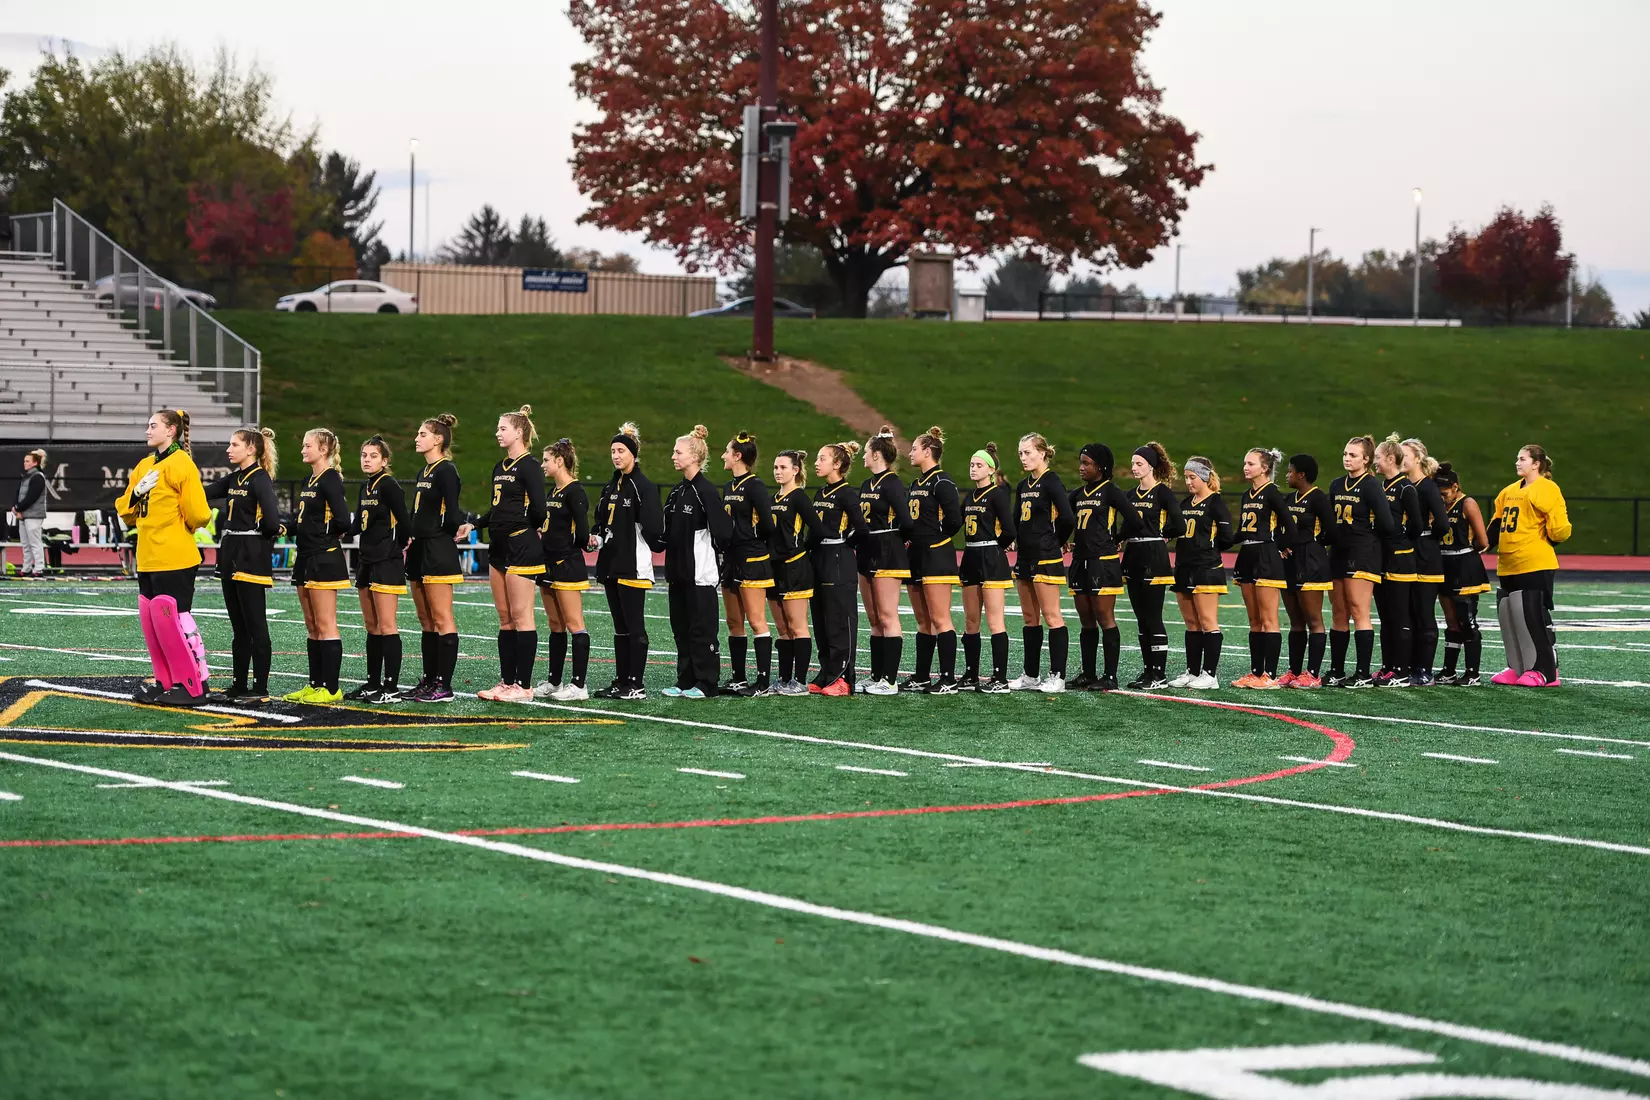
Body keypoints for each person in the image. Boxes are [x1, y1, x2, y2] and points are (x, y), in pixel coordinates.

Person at [116, 409, 212, 705]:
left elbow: (200, 514)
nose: (147, 430)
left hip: (174, 556)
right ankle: (166, 681)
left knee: (175, 622)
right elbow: (125, 512)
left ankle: (196, 684)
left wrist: (178, 526)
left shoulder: (181, 462)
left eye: (153, 425)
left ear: (171, 430)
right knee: (154, 623)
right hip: (148, 555)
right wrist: (135, 495)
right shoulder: (144, 465)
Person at [461, 406, 548, 703]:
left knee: (522, 616)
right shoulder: (500, 467)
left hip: (521, 547)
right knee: (505, 618)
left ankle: (523, 686)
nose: (497, 433)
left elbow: (539, 510)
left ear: (519, 432)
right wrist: (475, 523)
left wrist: (522, 528)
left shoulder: (530, 466)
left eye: (502, 429)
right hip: (498, 549)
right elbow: (496, 510)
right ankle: (507, 681)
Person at [203, 428, 281, 703]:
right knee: (239, 627)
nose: (229, 449)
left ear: (251, 449)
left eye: (234, 444)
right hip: (231, 554)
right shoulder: (235, 477)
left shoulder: (260, 479)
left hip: (250, 555)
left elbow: (272, 521)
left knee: (256, 624)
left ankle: (260, 690)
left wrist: (260, 529)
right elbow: (205, 493)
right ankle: (239, 685)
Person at [593, 421, 665, 700]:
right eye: (613, 450)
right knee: (620, 627)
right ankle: (622, 680)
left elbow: (652, 528)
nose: (616, 455)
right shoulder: (613, 483)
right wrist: (595, 536)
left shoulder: (642, 486)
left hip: (633, 564)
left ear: (633, 453)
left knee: (634, 625)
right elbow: (601, 521)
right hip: (611, 563)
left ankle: (636, 683)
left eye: (621, 450)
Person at [1489, 444, 1571, 687]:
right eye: (1517, 458)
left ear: (1536, 463)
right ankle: (1518, 666)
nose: (1517, 462)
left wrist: (1548, 538)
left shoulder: (1547, 489)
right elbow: (1497, 524)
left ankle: (1545, 670)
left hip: (1534, 561)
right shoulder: (1509, 491)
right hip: (1509, 562)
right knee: (1510, 615)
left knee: (1532, 616)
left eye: (1523, 459)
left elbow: (1559, 529)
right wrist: (1480, 545)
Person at [661, 425, 732, 699]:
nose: (673, 456)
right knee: (681, 629)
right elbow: (666, 534)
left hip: (700, 574)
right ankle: (685, 679)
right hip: (677, 573)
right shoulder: (677, 492)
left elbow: (723, 531)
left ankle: (707, 683)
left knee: (702, 630)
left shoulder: (706, 491)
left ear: (695, 456)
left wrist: (716, 557)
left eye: (678, 452)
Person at [282, 428, 351, 704]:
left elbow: (344, 521)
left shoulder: (330, 479)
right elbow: (304, 519)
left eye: (307, 445)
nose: (302, 449)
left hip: (324, 557)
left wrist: (322, 535)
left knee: (325, 624)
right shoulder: (309, 479)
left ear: (323, 450)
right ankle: (315, 684)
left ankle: (332, 689)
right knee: (311, 625)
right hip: (305, 557)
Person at [403, 414, 466, 703]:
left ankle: (444, 685)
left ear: (438, 439)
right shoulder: (424, 471)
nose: (417, 438)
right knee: (426, 619)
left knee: (442, 618)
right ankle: (429, 680)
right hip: (419, 549)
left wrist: (446, 533)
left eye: (422, 434)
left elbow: (453, 513)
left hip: (437, 548)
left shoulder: (446, 470)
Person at [1068, 443, 1140, 691]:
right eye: (1081, 462)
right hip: (1080, 562)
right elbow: (1065, 519)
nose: (1081, 467)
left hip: (1103, 563)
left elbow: (1135, 520)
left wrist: (1116, 539)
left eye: (1086, 463)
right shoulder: (1077, 494)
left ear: (1101, 466)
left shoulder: (1111, 491)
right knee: (1086, 619)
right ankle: (1088, 673)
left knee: (1104, 617)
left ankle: (1110, 676)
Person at [345, 435, 410, 703]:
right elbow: (359, 522)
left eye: (373, 456)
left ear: (384, 461)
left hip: (386, 562)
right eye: (364, 455)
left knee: (386, 625)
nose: (367, 460)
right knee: (372, 625)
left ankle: (391, 687)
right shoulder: (366, 487)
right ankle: (372, 684)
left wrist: (395, 548)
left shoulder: (389, 485)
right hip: (366, 560)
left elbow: (405, 522)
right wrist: (338, 531)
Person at [1326, 435, 1393, 688]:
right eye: (1345, 453)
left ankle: (1363, 673)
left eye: (1353, 455)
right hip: (1338, 553)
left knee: (1358, 610)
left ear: (1366, 459)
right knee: (1339, 612)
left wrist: (1365, 537)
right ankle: (1337, 671)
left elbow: (1387, 523)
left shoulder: (1371, 485)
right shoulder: (1335, 485)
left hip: (1362, 553)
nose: (1347, 458)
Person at [1010, 432, 1074, 693]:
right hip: (1025, 557)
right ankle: (1031, 675)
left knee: (1051, 616)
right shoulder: (1024, 485)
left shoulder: (1051, 482)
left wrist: (1053, 542)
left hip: (1046, 557)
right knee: (1029, 618)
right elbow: (1017, 519)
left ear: (1043, 453)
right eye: (1021, 453)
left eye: (1028, 452)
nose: (1023, 458)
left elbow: (1068, 518)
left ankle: (1057, 676)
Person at [904, 427, 963, 693]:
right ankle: (922, 676)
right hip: (915, 556)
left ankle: (948, 679)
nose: (910, 453)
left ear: (928, 451)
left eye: (914, 449)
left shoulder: (942, 482)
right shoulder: (917, 483)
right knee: (923, 621)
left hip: (936, 555)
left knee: (940, 619)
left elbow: (954, 520)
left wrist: (936, 540)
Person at [535, 437, 594, 701]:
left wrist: (587, 542)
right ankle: (554, 682)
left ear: (560, 461)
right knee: (555, 625)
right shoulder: (554, 492)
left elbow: (582, 534)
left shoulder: (575, 491)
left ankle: (579, 686)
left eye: (546, 460)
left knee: (574, 624)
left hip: (567, 564)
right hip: (547, 566)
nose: (543, 465)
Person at [1231, 448, 1295, 688]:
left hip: (1266, 557)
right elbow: (1241, 531)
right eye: (1244, 463)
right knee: (1254, 619)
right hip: (1247, 555)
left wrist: (1278, 546)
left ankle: (1269, 675)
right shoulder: (1247, 494)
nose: (1246, 467)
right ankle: (1255, 672)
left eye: (1250, 463)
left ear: (1265, 468)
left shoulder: (1272, 493)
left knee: (1269, 619)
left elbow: (1290, 527)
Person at [719, 430, 776, 696]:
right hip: (730, 559)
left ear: (738, 456)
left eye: (727, 452)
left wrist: (749, 540)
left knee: (756, 621)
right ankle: (738, 677)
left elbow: (768, 524)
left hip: (752, 558)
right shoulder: (729, 486)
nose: (723, 456)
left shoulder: (755, 485)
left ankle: (762, 682)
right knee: (734, 621)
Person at [1122, 442, 1182, 690]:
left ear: (1151, 466)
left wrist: (1162, 534)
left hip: (1154, 557)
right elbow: (1124, 527)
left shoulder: (1163, 493)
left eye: (1139, 464)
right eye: (1133, 464)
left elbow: (1179, 525)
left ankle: (1159, 674)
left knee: (1153, 617)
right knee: (1140, 618)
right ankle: (1147, 671)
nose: (1134, 468)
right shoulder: (1130, 495)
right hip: (1133, 554)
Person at [810, 440, 868, 696]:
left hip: (838, 559)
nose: (816, 463)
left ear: (837, 464)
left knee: (839, 620)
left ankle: (844, 678)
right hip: (819, 558)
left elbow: (862, 529)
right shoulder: (820, 493)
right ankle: (826, 673)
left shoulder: (847, 493)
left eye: (822, 458)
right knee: (821, 619)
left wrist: (842, 546)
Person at [1170, 456, 1232, 690]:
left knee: (1208, 622)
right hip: (1184, 568)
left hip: (1206, 569)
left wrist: (1208, 549)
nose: (1188, 482)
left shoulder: (1216, 503)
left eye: (1192, 477)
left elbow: (1226, 538)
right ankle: (1193, 671)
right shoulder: (1186, 503)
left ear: (1205, 477)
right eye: (1186, 477)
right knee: (1191, 623)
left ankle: (1210, 674)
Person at [959, 442, 1017, 692]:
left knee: (995, 621)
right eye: (972, 464)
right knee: (970, 621)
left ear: (991, 469)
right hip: (970, 557)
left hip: (991, 558)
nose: (973, 469)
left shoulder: (997, 495)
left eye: (979, 465)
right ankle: (971, 674)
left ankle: (999, 678)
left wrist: (995, 548)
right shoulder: (970, 496)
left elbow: (1010, 530)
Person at [856, 427, 910, 693]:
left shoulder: (892, 483)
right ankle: (876, 675)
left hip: (887, 551)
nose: (863, 457)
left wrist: (896, 542)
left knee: (888, 616)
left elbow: (906, 521)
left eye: (866, 452)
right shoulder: (867, 484)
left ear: (876, 454)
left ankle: (890, 680)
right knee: (874, 618)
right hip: (867, 551)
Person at [767, 448, 822, 695]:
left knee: (797, 626)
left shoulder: (799, 497)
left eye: (784, 468)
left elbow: (818, 529)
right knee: (782, 628)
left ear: (796, 470)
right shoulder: (772, 498)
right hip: (774, 568)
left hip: (795, 568)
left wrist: (799, 551)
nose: (778, 472)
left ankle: (800, 681)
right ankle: (784, 678)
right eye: (776, 467)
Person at [1433, 462, 1491, 686]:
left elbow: (1483, 541)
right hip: (1444, 563)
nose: (1442, 497)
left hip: (1464, 563)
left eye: (1445, 493)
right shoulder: (1438, 506)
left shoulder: (1467, 503)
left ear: (1455, 487)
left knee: (1467, 620)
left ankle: (1472, 672)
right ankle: (1448, 671)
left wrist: (1468, 551)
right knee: (1451, 621)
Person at [1280, 454, 1336, 688]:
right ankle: (1294, 670)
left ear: (1301, 474)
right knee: (1295, 621)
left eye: (1290, 471)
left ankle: (1312, 673)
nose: (1287, 474)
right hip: (1290, 562)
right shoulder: (1289, 498)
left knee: (1314, 620)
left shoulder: (1318, 498)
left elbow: (1332, 531)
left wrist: (1314, 544)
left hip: (1311, 562)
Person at [1374, 434, 1422, 687]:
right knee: (1386, 617)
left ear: (1390, 459)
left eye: (1378, 458)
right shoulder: (1382, 486)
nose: (1375, 463)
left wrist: (1399, 538)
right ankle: (1388, 666)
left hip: (1401, 559)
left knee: (1400, 616)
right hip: (1382, 558)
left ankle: (1402, 671)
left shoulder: (1406, 488)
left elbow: (1416, 525)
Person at [1402, 436, 1450, 686]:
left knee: (1423, 613)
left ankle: (1424, 669)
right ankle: (1407, 667)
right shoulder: (1401, 485)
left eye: (1404, 456)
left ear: (1418, 459)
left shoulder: (1427, 487)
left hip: (1425, 555)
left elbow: (1442, 523)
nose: (1399, 460)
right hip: (1407, 554)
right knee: (1407, 614)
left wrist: (1424, 537)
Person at [13, 449, 47, 578]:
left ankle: (39, 568)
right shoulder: (26, 476)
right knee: (25, 543)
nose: (25, 463)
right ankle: (26, 568)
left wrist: (19, 508)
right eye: (24, 461)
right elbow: (19, 493)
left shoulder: (38, 476)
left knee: (34, 542)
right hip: (24, 514)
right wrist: (16, 507)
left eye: (27, 461)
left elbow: (32, 497)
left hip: (34, 515)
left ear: (35, 463)